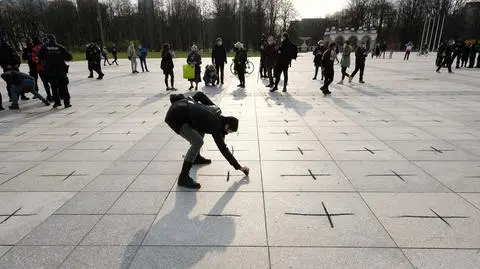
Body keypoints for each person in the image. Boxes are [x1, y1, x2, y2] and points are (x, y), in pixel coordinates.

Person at [164, 92, 249, 189]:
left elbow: (200, 94)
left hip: (180, 105)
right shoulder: (215, 126)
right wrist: (239, 167)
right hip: (175, 118)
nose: (228, 133)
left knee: (202, 127)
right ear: (227, 125)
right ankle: (183, 177)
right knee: (198, 142)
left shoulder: (216, 110)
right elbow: (223, 149)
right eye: (229, 131)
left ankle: (196, 157)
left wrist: (192, 103)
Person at [39, 34, 73, 108]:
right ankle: (67, 103)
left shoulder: (44, 47)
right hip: (61, 70)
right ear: (55, 39)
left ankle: (57, 102)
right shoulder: (60, 47)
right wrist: (70, 53)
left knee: (54, 87)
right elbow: (69, 57)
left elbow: (40, 57)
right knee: (64, 87)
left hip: (50, 71)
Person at [1, 37, 28, 105]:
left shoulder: (9, 48)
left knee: (13, 82)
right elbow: (17, 56)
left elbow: (17, 56)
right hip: (10, 67)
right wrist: (17, 64)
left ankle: (18, 95)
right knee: (14, 82)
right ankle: (16, 96)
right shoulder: (10, 48)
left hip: (11, 67)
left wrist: (17, 64)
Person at [31, 37, 53, 101]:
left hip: (40, 68)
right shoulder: (45, 46)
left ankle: (49, 95)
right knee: (52, 82)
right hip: (48, 67)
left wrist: (39, 62)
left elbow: (34, 60)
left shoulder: (34, 49)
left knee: (45, 83)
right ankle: (56, 95)